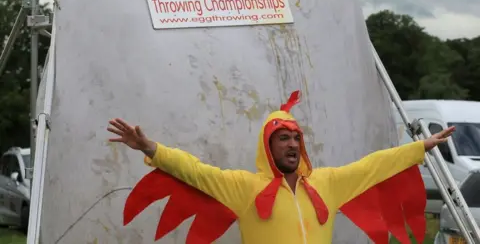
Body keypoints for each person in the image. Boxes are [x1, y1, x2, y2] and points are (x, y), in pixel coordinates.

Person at [107, 91, 454, 244]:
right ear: (267, 146)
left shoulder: (328, 183)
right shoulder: (244, 187)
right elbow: (195, 171)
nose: (291, 144)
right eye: (282, 138)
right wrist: (151, 148)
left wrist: (419, 147)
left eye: (295, 138)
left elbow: (373, 166)